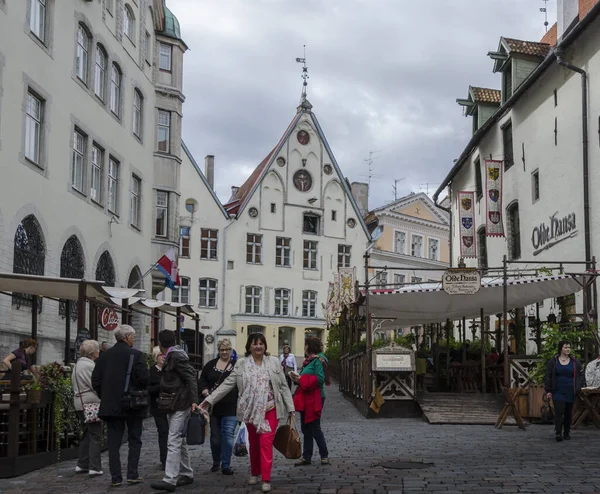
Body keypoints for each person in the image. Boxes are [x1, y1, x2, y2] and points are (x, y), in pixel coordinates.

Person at [201, 333, 295, 494]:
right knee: (254, 443)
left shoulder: (273, 362)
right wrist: (210, 399)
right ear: (249, 346)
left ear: (265, 346)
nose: (258, 346)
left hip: (270, 409)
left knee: (265, 443)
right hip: (250, 411)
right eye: (254, 343)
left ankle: (265, 479)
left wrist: (290, 408)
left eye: (261, 343)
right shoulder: (242, 364)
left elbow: (283, 386)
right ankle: (255, 472)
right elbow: (228, 383)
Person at [92, 325, 148, 487]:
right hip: (133, 405)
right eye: (134, 336)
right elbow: (144, 379)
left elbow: (95, 381)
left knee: (113, 443)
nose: (135, 339)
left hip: (111, 406)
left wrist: (106, 395)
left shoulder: (103, 357)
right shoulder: (137, 355)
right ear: (128, 336)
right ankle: (132, 474)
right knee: (134, 440)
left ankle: (115, 477)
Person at [150, 330, 199, 492]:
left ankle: (170, 479)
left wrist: (193, 401)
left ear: (160, 344)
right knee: (179, 440)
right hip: (174, 402)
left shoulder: (176, 356)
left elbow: (191, 377)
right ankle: (187, 473)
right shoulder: (175, 354)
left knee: (173, 440)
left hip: (180, 403)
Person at [198, 338, 237, 475]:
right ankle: (216, 461)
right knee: (215, 438)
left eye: (227, 350)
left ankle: (226, 464)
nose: (224, 352)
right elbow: (202, 380)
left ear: (231, 350)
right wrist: (205, 391)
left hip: (231, 407)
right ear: (218, 350)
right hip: (214, 408)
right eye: (222, 350)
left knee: (228, 436)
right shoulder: (211, 364)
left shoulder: (236, 365)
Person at [292, 336, 329, 467]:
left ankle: (324, 455)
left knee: (314, 427)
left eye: (305, 345)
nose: (304, 347)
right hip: (305, 396)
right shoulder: (309, 360)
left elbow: (320, 379)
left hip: (315, 397)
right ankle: (307, 456)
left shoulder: (318, 360)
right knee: (306, 428)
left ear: (310, 346)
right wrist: (298, 379)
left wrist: (301, 379)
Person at [72, 340, 103, 477]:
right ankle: (95, 467)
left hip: (79, 402)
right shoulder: (89, 366)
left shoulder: (78, 365)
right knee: (96, 435)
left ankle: (82, 463)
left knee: (86, 434)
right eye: (97, 350)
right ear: (92, 352)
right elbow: (95, 384)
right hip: (91, 403)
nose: (99, 352)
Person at [544, 340, 584, 441]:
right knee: (559, 412)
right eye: (566, 347)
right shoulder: (553, 361)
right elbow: (548, 376)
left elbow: (581, 374)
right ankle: (558, 433)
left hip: (571, 390)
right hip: (557, 391)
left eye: (569, 347)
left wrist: (579, 385)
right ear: (561, 348)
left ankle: (566, 432)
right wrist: (548, 390)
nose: (568, 349)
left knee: (568, 413)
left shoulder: (575, 361)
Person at [149, 346, 168, 470]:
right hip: (158, 406)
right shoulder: (151, 371)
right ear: (156, 357)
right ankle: (164, 459)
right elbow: (149, 389)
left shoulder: (170, 370)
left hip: (171, 406)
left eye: (165, 355)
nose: (164, 357)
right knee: (163, 432)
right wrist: (162, 386)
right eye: (161, 355)